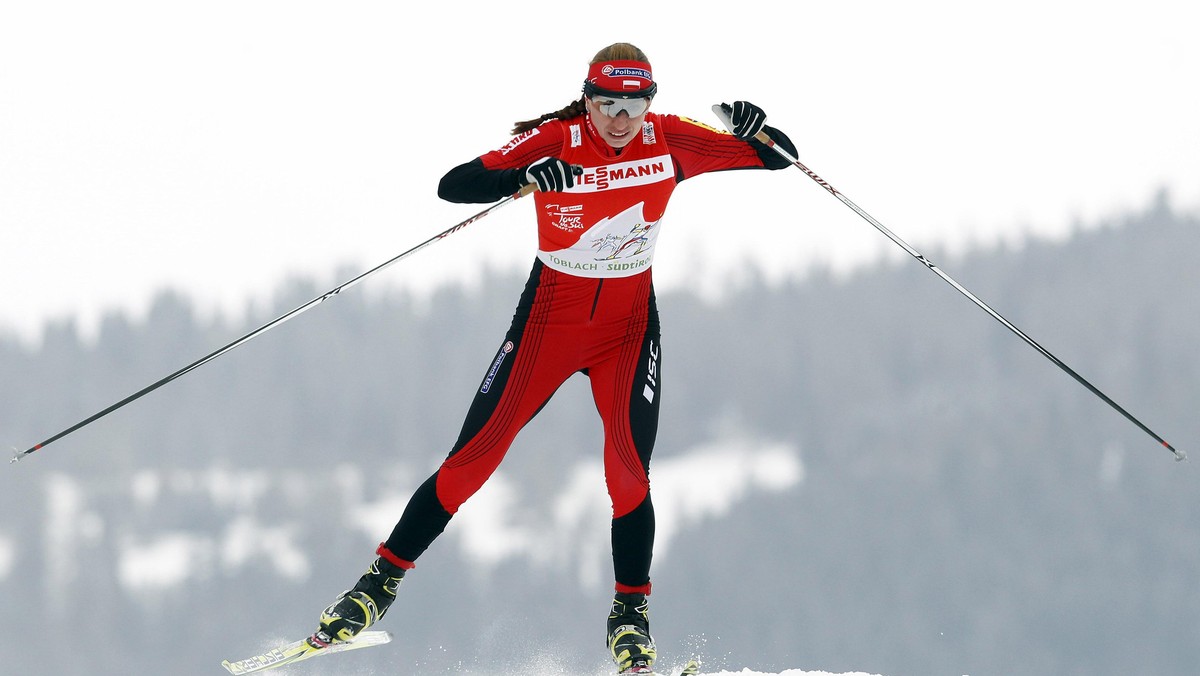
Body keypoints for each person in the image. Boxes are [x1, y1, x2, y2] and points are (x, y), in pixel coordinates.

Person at [313, 42, 797, 674]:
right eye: (607, 105)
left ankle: (630, 618)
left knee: (628, 473)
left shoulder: (674, 140)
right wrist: (522, 178)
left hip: (626, 330)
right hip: (548, 326)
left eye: (632, 105)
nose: (620, 120)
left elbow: (781, 160)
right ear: (588, 101)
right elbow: (452, 185)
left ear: (650, 103)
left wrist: (754, 128)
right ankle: (376, 585)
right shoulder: (557, 141)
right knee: (470, 463)